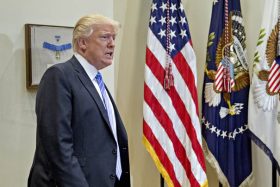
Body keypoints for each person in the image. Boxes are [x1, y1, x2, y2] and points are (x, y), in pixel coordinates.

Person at [28, 14, 130, 187]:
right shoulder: (59, 76)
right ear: (83, 43)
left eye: (114, 37)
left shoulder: (96, 81)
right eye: (105, 37)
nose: (112, 43)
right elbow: (59, 148)